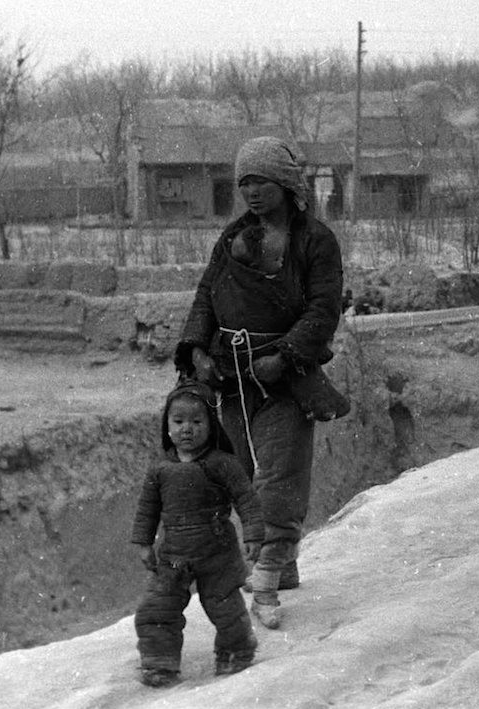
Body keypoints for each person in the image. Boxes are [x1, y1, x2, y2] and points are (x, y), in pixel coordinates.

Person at [175, 136, 345, 631]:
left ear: (286, 184)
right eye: (243, 182)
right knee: (244, 474)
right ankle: (283, 564)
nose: (250, 192)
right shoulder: (233, 238)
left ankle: (266, 580)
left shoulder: (315, 240)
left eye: (261, 182)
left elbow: (323, 307)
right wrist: (198, 349)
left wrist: (287, 354)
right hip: (231, 378)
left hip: (283, 378)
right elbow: (207, 293)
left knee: (281, 475)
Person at [131, 379, 264, 688]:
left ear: (211, 424)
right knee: (156, 608)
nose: (186, 429)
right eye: (178, 422)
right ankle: (159, 664)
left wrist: (253, 534)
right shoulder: (160, 469)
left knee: (225, 607)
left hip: (217, 551)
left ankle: (237, 652)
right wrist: (143, 543)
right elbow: (147, 508)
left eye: (196, 421)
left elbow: (246, 499)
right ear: (167, 424)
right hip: (174, 554)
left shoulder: (223, 464)